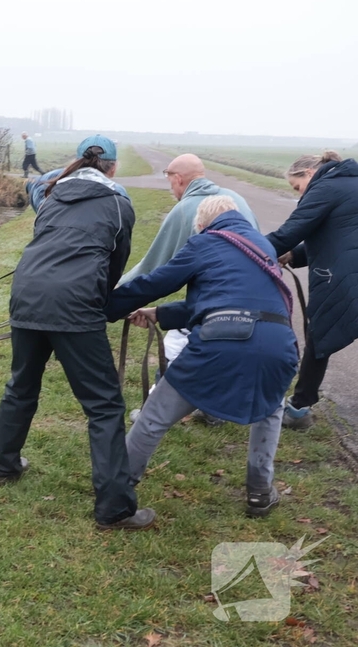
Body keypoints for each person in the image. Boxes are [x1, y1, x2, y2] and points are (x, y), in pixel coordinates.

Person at [0, 134, 154, 531]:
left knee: (21, 385)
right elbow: (115, 266)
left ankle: (5, 465)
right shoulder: (119, 203)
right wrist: (107, 305)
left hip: (26, 296)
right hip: (75, 305)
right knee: (104, 404)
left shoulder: (50, 194)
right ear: (112, 167)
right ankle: (114, 508)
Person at [107, 196, 298, 517]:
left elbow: (155, 283)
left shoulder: (205, 242)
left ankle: (117, 490)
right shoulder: (262, 247)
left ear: (201, 224)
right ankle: (260, 493)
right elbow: (226, 302)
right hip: (278, 343)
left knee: (154, 415)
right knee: (270, 409)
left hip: (220, 343)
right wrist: (159, 315)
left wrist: (104, 308)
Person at [120, 154, 260, 426]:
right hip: (254, 300)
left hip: (214, 301)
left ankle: (153, 410)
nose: (172, 190)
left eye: (170, 183)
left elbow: (154, 266)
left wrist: (114, 293)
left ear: (178, 179)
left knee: (179, 347)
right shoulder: (235, 199)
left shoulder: (186, 209)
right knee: (221, 347)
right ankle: (215, 410)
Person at [266, 151, 358, 430]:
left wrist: (244, 248)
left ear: (309, 172)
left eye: (297, 187)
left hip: (343, 279)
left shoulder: (326, 187)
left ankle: (298, 409)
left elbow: (290, 232)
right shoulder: (350, 183)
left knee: (319, 338)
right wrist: (292, 256)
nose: (299, 193)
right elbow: (336, 236)